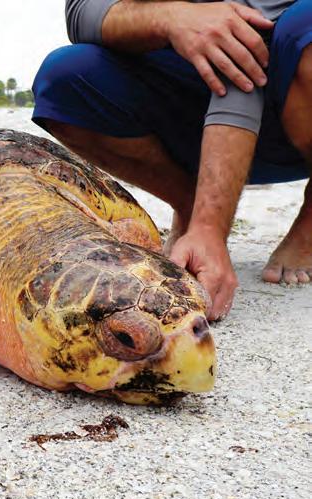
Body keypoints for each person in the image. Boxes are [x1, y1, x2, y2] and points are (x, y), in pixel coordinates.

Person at [32, 0, 312, 320]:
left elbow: (241, 55)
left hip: (286, 108)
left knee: (305, 25)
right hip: (190, 104)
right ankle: (187, 201)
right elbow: (82, 11)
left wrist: (211, 226)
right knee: (65, 74)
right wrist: (171, 18)